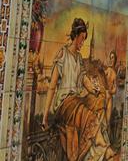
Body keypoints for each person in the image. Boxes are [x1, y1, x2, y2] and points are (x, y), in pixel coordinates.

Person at [41, 18, 119, 160]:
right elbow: (52, 86)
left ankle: (97, 150)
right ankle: (101, 146)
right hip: (63, 103)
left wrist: (94, 89)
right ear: (75, 36)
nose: (83, 43)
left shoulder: (78, 57)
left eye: (84, 40)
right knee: (84, 112)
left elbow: (84, 80)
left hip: (75, 100)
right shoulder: (62, 54)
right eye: (82, 39)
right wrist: (45, 116)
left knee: (97, 103)